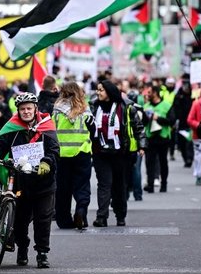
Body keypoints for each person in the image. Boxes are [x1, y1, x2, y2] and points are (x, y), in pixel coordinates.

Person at [0, 92, 59, 268]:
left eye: (29, 108)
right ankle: (22, 249)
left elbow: (54, 150)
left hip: (43, 182)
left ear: (35, 109)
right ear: (18, 111)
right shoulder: (13, 128)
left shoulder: (46, 126)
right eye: (22, 109)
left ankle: (42, 253)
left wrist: (47, 162)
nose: (26, 112)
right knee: (20, 220)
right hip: (20, 181)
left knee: (43, 219)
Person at [91, 80, 146, 227]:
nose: (98, 93)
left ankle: (120, 215)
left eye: (101, 90)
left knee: (119, 186)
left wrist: (142, 146)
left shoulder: (126, 107)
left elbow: (138, 127)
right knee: (104, 184)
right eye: (97, 90)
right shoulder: (94, 106)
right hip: (100, 153)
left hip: (121, 154)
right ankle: (101, 217)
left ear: (109, 91)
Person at [52, 81, 95, 229]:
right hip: (82, 152)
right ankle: (81, 210)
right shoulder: (85, 110)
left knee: (63, 189)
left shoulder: (57, 111)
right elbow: (93, 130)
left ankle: (64, 220)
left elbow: (52, 132)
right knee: (82, 186)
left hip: (62, 154)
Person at [143, 85, 175, 193]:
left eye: (149, 92)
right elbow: (142, 123)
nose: (147, 94)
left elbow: (172, 121)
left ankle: (164, 184)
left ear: (155, 93)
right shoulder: (146, 106)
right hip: (150, 137)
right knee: (149, 162)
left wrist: (158, 118)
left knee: (163, 162)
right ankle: (150, 185)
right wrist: (146, 118)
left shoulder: (166, 105)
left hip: (163, 137)